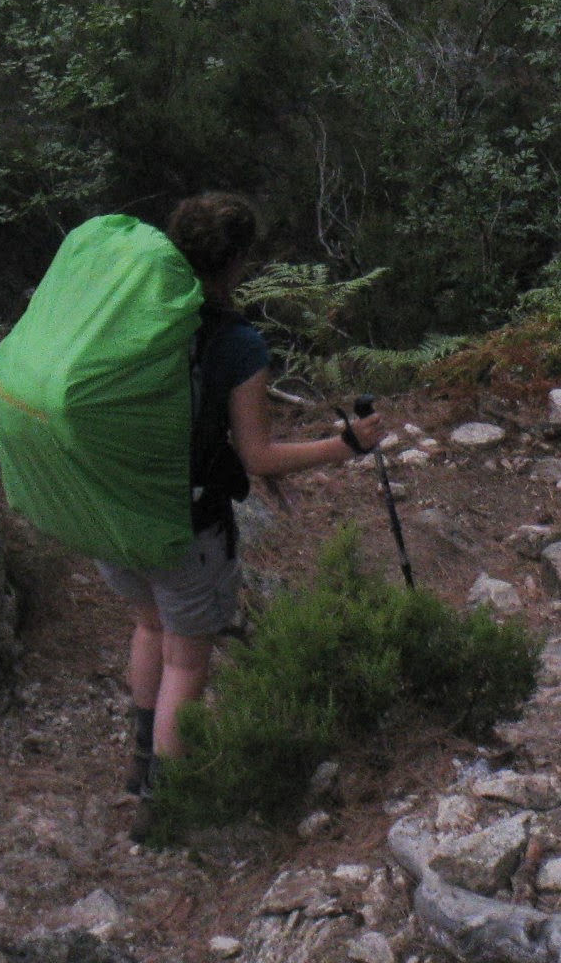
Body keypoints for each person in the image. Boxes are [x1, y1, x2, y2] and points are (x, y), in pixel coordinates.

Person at [95, 191, 383, 832]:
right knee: (186, 660)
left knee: (148, 626)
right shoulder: (237, 345)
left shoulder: (127, 317)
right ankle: (162, 808)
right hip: (183, 525)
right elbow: (258, 455)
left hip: (110, 511)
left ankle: (141, 762)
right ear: (236, 264)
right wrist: (347, 445)